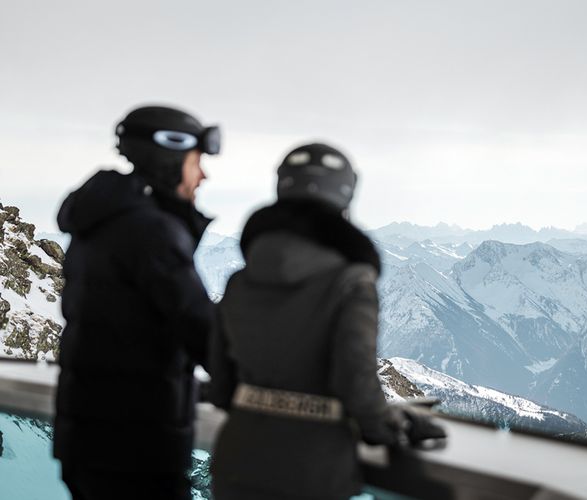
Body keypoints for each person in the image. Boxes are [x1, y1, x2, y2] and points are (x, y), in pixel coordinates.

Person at [208, 142, 445, 500]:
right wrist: (401, 424)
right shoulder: (351, 283)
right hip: (311, 474)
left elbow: (222, 384)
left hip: (236, 465)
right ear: (346, 196)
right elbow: (358, 386)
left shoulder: (240, 281)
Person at [54, 105, 221, 500]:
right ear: (169, 160)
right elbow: (205, 333)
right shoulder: (151, 232)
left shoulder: (100, 222)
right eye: (197, 162)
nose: (204, 175)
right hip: (135, 452)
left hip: (88, 442)